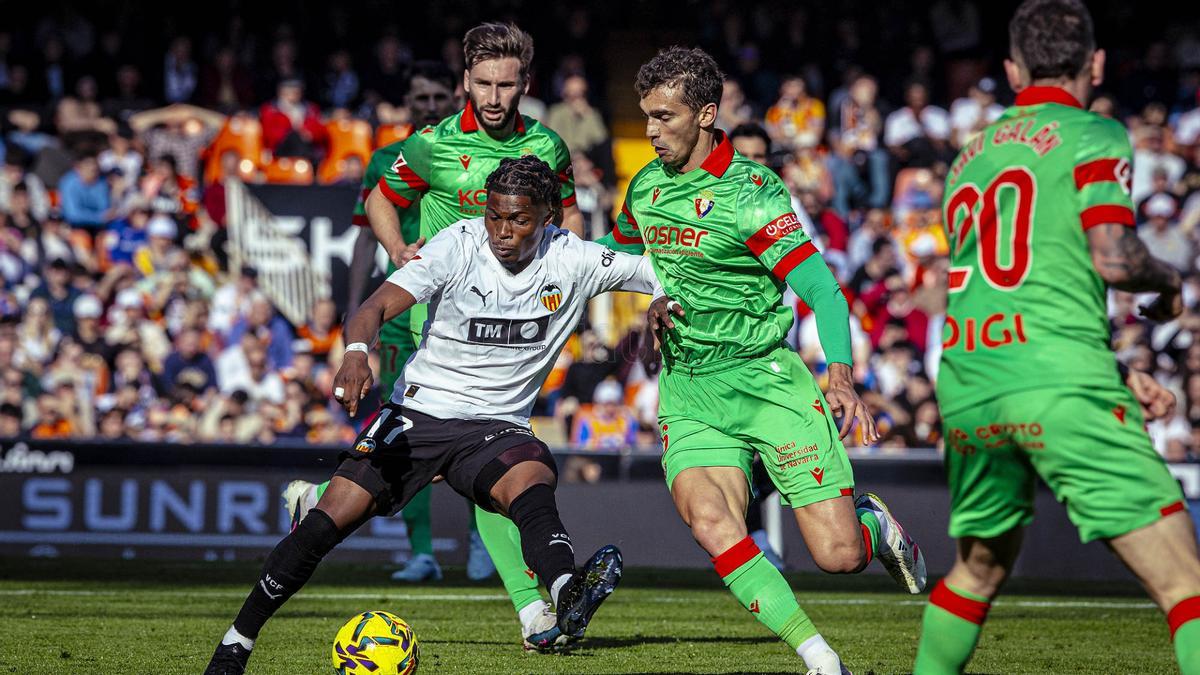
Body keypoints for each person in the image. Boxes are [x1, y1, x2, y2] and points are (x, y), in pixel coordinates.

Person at [204, 157, 647, 674]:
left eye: (519, 220)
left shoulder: (577, 259)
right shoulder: (457, 244)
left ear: (549, 217)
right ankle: (237, 642)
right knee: (323, 529)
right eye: (494, 216)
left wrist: (658, 301)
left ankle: (566, 591)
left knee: (532, 479)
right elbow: (373, 307)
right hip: (420, 412)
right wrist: (354, 353)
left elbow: (660, 274)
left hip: (495, 425)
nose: (502, 232)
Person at [599, 47, 924, 675]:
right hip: (691, 390)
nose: (651, 131)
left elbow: (823, 290)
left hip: (767, 381)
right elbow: (617, 261)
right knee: (709, 519)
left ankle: (871, 526)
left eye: (665, 117)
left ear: (706, 114)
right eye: (646, 117)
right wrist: (649, 299)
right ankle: (819, 656)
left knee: (839, 557)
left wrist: (839, 375)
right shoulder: (643, 185)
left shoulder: (752, 193)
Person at [913, 2, 1200, 673]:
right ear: (1095, 64)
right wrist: (1169, 281)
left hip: (971, 383)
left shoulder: (967, 157)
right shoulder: (1093, 134)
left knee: (977, 571)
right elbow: (1114, 256)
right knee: (1185, 582)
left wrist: (1118, 370)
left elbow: (1018, 283)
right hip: (1056, 379)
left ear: (1014, 71)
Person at [356, 22, 588, 641]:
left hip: (503, 327)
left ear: (525, 85)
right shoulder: (431, 145)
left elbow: (565, 222)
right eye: (482, 82)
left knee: (489, 459)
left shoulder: (548, 147)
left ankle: (528, 601)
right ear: (465, 80)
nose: (492, 96)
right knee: (439, 458)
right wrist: (400, 246)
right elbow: (380, 198)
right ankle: (520, 595)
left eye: (505, 84)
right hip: (430, 328)